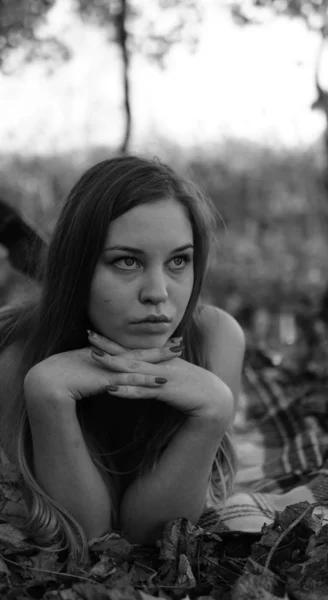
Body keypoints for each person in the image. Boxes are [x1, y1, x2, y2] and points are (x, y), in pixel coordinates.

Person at [0, 155, 245, 564]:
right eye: (127, 261)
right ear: (79, 268)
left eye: (178, 261)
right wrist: (49, 397)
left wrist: (213, 414)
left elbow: (150, 536)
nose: (159, 293)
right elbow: (88, 539)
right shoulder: (16, 357)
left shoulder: (215, 337)